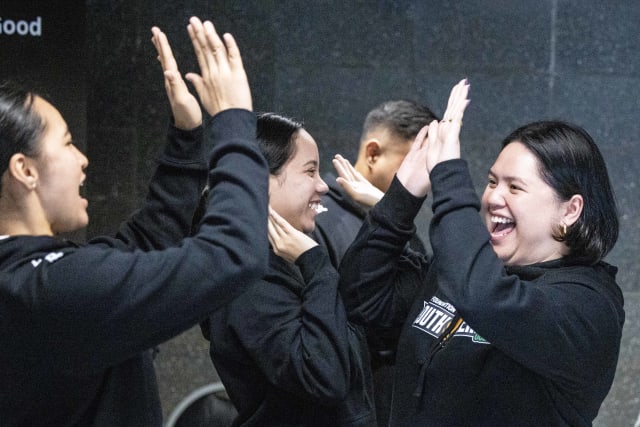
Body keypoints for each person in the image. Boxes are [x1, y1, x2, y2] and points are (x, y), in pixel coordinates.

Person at [0, 17, 269, 426]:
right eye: (68, 143)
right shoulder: (50, 290)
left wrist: (187, 135)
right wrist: (233, 120)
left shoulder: (29, 279)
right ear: (25, 170)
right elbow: (232, 255)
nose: (82, 159)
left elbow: (142, 244)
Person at [338, 79, 624, 426]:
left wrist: (448, 175)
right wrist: (404, 195)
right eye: (491, 182)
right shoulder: (460, 274)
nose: (492, 198)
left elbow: (486, 299)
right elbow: (360, 299)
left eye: (515, 187)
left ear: (570, 210)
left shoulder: (587, 306)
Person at [200, 112, 377, 426]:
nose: (323, 185)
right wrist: (318, 267)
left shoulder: (272, 262)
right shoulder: (247, 280)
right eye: (310, 171)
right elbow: (323, 378)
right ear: (259, 181)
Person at [311, 99, 439, 425]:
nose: (423, 181)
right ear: (372, 154)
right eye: (415, 164)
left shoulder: (398, 222)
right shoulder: (318, 219)